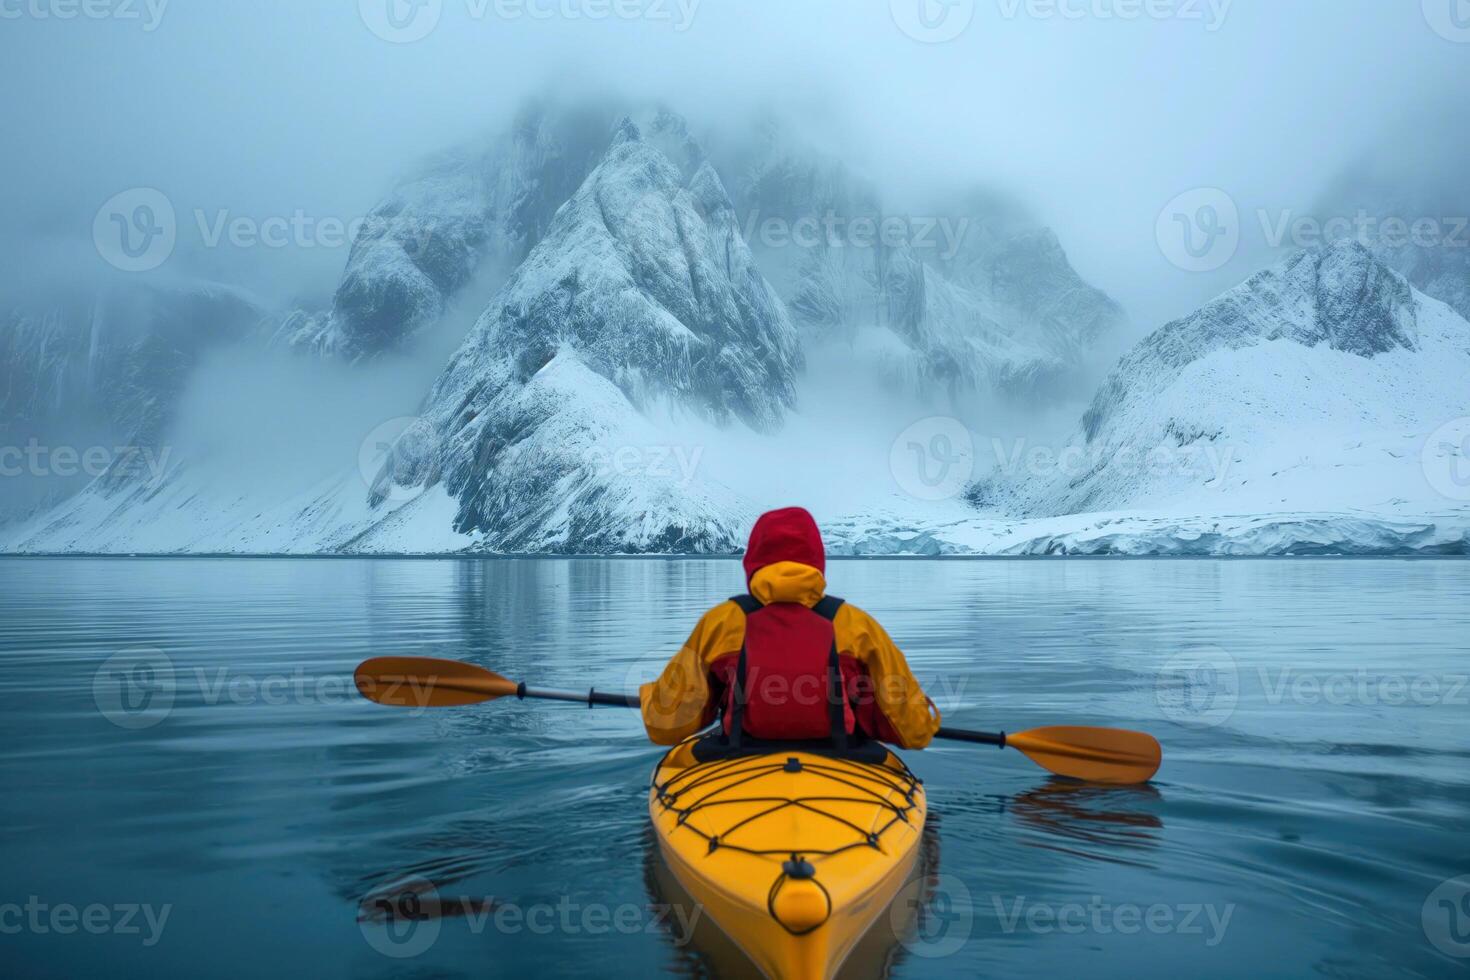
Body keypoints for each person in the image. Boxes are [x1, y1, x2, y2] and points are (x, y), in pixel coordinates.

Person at [640, 507, 941, 751]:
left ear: (753, 562)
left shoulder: (720, 623)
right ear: (817, 561)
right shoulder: (856, 625)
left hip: (739, 767)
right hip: (840, 771)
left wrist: (651, 694)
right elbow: (913, 732)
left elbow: (664, 725)